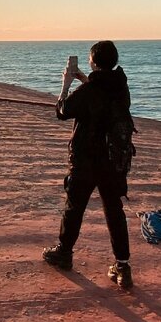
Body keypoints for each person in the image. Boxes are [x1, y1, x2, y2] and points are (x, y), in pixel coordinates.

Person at [42, 40, 135, 288]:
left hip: (85, 159)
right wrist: (84, 79)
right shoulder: (120, 86)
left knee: (74, 207)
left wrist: (65, 85)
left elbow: (63, 111)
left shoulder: (90, 91)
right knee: (114, 211)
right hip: (113, 160)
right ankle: (123, 266)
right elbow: (101, 96)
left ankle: (64, 253)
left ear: (94, 60)